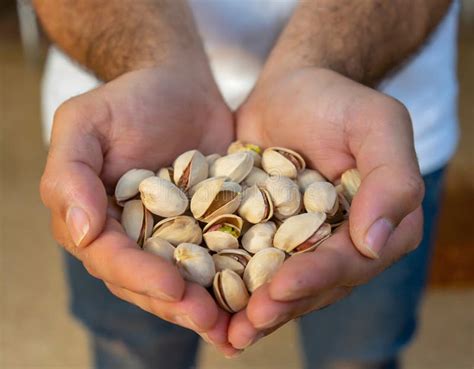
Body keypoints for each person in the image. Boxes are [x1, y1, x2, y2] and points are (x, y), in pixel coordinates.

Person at [34, 1, 459, 368]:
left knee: (361, 352)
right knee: (131, 352)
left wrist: (324, 62)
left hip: (362, 142)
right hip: (124, 131)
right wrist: (152, 59)